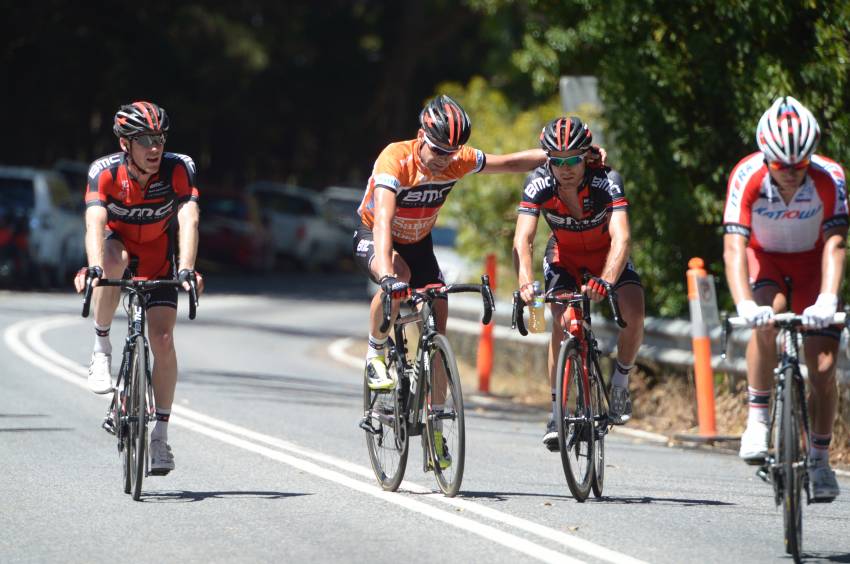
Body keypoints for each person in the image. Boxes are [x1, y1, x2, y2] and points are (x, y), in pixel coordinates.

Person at [723, 96, 846, 501]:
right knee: (768, 316)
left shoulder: (830, 176)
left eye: (799, 166)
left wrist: (828, 298)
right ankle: (757, 418)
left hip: (813, 263)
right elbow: (734, 248)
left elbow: (835, 242)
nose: (791, 174)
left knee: (824, 367)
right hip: (767, 259)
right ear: (766, 158)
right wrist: (744, 303)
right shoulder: (747, 174)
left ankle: (819, 459)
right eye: (780, 166)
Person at [73, 101, 203, 475]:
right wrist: (94, 266)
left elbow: (188, 218)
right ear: (125, 144)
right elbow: (95, 220)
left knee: (162, 340)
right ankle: (101, 347)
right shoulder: (105, 172)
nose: (154, 147)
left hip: (160, 259)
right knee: (114, 261)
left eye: (159, 138)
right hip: (119, 250)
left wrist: (189, 269)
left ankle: (160, 436)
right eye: (144, 139)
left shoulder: (179, 168)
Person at [512, 116, 645, 451]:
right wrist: (526, 282)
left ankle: (619, 381)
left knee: (634, 313)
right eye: (556, 161)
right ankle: (558, 410)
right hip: (563, 257)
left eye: (572, 159)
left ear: (586, 156)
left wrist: (607, 279)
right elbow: (523, 239)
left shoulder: (606, 180)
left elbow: (622, 237)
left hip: (606, 256)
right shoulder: (538, 182)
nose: (565, 168)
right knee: (559, 325)